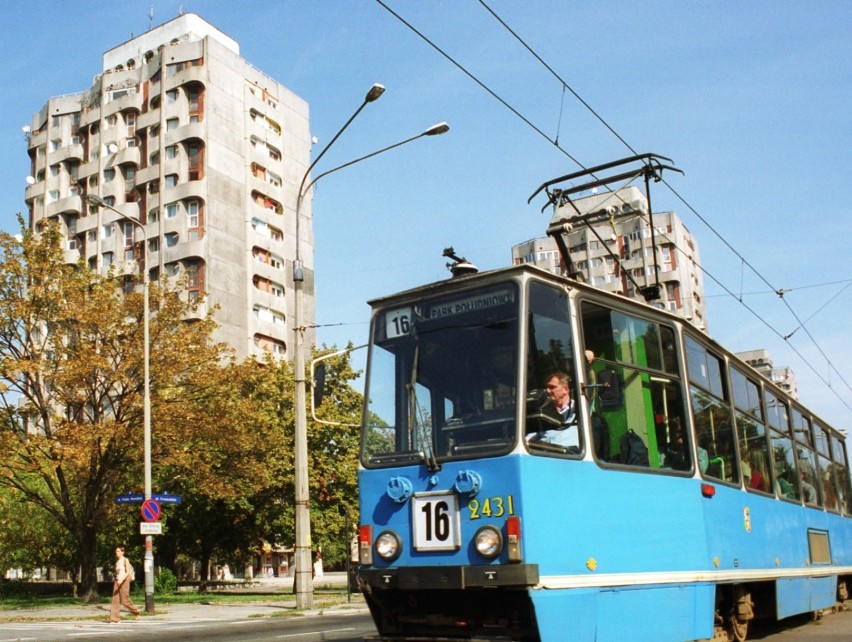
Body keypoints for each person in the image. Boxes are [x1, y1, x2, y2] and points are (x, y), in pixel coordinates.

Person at [527, 371, 579, 451]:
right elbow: (528, 439)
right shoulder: (543, 411)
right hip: (544, 456)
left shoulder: (577, 409)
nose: (547, 391)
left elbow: (587, 390)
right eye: (547, 387)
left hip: (569, 456)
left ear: (565, 389)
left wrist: (587, 367)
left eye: (552, 387)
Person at [109, 545, 140, 623]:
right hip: (117, 581)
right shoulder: (117, 562)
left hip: (124, 581)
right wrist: (116, 579)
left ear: (123, 552)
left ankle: (136, 612)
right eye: (116, 551)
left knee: (124, 600)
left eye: (118, 551)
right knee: (115, 600)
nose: (116, 552)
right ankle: (114, 619)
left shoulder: (125, 560)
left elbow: (128, 572)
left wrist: (121, 579)